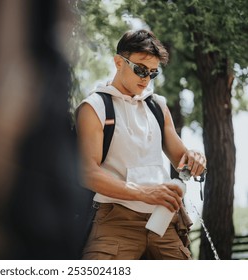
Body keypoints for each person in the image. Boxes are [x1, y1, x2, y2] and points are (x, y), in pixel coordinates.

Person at [75, 29, 207, 260]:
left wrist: (196, 158)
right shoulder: (93, 107)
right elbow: (88, 173)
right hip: (114, 221)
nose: (146, 78)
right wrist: (144, 192)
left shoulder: (157, 105)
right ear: (118, 62)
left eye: (153, 73)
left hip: (163, 220)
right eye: (140, 69)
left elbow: (181, 159)